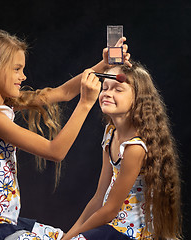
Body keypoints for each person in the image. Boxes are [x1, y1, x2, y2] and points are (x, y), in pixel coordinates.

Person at [0, 29, 130, 240]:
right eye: (16, 69)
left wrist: (103, 65)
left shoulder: (4, 104)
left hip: (4, 222)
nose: (23, 76)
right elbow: (55, 151)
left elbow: (64, 92)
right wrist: (86, 104)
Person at [62, 62, 182, 240]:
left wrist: (75, 236)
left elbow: (110, 210)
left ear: (138, 98)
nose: (107, 94)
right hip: (111, 226)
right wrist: (68, 235)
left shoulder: (135, 147)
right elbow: (99, 197)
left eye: (118, 89)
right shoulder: (111, 133)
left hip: (129, 234)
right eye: (105, 88)